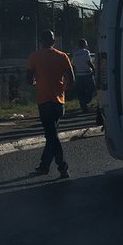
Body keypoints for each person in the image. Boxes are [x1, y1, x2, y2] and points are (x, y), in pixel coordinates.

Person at [26, 29, 75, 179]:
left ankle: (62, 167)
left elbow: (28, 79)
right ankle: (44, 166)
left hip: (44, 100)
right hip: (59, 101)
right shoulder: (62, 56)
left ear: (41, 41)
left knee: (52, 136)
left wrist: (36, 83)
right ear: (54, 42)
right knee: (52, 134)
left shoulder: (34, 56)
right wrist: (64, 89)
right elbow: (71, 78)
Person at [70, 38, 96, 113]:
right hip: (87, 74)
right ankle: (85, 102)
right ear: (84, 44)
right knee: (91, 89)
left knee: (80, 92)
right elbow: (88, 62)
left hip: (79, 74)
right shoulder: (86, 52)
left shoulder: (75, 53)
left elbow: (73, 65)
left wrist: (74, 74)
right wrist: (94, 69)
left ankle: (83, 105)